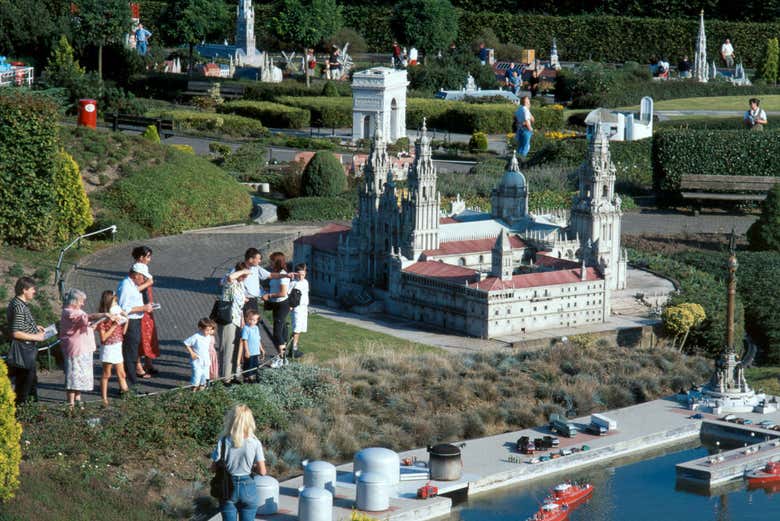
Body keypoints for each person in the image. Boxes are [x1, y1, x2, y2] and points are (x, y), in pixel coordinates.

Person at [211, 405, 267, 521]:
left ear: (232, 420)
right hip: (248, 488)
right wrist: (252, 467)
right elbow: (262, 471)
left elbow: (213, 468)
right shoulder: (255, 442)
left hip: (227, 487)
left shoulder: (223, 441)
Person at [59, 288, 110, 409]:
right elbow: (88, 317)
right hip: (75, 350)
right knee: (73, 378)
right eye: (81, 301)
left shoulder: (76, 311)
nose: (83, 304)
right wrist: (104, 314)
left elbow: (84, 322)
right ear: (74, 301)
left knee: (79, 378)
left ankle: (78, 400)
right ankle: (70, 405)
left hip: (84, 349)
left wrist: (93, 324)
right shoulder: (69, 312)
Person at [6, 277, 45, 404]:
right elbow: (16, 332)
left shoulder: (17, 303)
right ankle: (24, 414)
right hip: (24, 352)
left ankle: (32, 412)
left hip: (26, 352)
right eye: (33, 289)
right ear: (24, 290)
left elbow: (19, 324)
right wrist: (36, 337)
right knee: (25, 387)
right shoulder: (19, 307)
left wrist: (34, 327)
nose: (35, 292)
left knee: (31, 383)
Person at [117, 263, 154, 388]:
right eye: (143, 277)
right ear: (136, 275)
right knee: (130, 354)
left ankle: (131, 384)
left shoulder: (132, 285)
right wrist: (143, 308)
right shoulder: (126, 287)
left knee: (132, 353)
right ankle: (130, 385)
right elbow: (123, 308)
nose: (144, 280)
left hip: (135, 321)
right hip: (130, 323)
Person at [218, 262, 252, 381]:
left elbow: (240, 305)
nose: (245, 277)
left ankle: (232, 375)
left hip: (237, 320)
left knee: (235, 348)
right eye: (244, 275)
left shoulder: (240, 284)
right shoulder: (230, 282)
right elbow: (229, 278)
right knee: (227, 349)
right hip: (228, 320)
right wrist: (243, 271)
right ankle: (225, 378)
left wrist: (242, 318)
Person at [96, 290, 129, 405]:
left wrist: (126, 320)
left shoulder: (117, 314)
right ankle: (104, 399)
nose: (116, 303)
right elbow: (103, 338)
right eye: (115, 301)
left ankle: (127, 397)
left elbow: (123, 332)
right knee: (107, 374)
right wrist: (114, 325)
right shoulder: (102, 319)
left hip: (117, 346)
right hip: (108, 349)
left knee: (122, 374)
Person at [132, 246, 159, 378]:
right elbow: (135, 289)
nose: (150, 259)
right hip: (140, 306)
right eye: (148, 256)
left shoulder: (143, 268)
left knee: (148, 333)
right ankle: (138, 366)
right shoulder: (137, 269)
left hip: (146, 304)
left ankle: (148, 362)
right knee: (141, 335)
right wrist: (149, 282)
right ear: (141, 257)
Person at [262, 252, 290, 362]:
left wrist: (269, 295)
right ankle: (282, 355)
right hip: (275, 304)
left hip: (282, 304)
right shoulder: (275, 273)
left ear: (277, 261)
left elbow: (283, 293)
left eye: (272, 261)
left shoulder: (283, 274)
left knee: (277, 332)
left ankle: (282, 358)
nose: (270, 263)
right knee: (279, 330)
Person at [183, 318, 217, 391]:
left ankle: (202, 393)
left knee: (204, 378)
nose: (209, 332)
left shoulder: (209, 337)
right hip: (197, 361)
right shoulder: (196, 336)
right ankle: (193, 391)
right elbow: (186, 343)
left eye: (210, 330)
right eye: (207, 330)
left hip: (206, 361)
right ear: (201, 328)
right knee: (196, 377)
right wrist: (192, 353)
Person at [289, 263, 309, 358]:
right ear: (296, 273)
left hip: (304, 307)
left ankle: (293, 347)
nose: (301, 276)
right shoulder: (293, 283)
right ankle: (293, 349)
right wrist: (290, 305)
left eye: (303, 274)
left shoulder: (306, 282)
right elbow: (288, 294)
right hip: (296, 308)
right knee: (296, 328)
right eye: (299, 274)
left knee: (300, 329)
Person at [240, 310, 264, 382]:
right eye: (250, 319)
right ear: (246, 318)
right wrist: (246, 351)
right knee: (248, 366)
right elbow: (245, 340)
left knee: (254, 365)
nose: (252, 322)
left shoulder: (256, 328)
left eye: (254, 320)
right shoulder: (246, 328)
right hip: (249, 352)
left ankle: (252, 377)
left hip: (256, 351)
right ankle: (247, 378)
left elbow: (258, 339)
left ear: (256, 321)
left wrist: (261, 349)